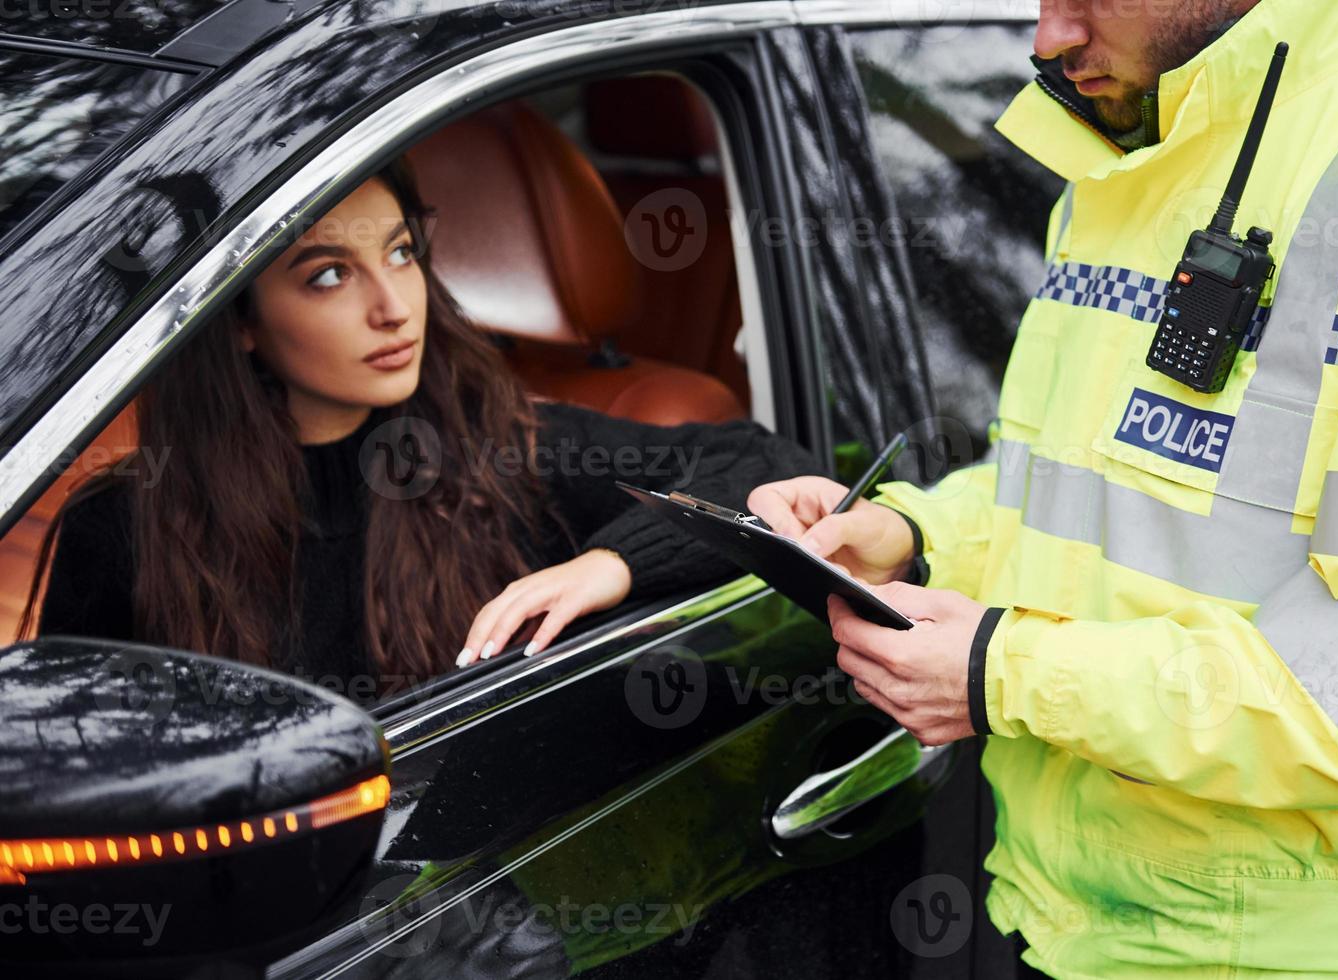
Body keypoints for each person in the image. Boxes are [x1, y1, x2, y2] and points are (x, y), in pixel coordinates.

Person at [749, 0, 1338, 976]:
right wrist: (915, 532)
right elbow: (1071, 493)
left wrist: (1004, 672)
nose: (1047, 38)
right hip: (1044, 917)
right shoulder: (1126, 160)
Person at [20, 156, 820, 703]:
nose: (394, 306)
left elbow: (763, 465)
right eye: (330, 274)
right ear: (239, 323)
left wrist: (616, 562)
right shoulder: (127, 528)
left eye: (402, 254)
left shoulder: (495, 452)